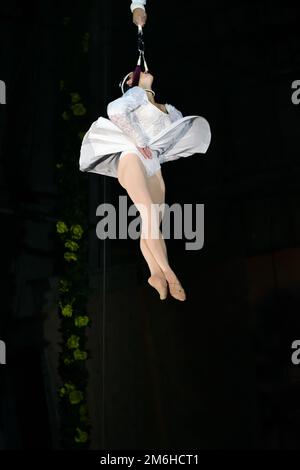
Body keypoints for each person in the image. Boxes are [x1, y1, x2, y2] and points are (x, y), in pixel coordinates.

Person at [79, 70, 211, 301]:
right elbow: (115, 110)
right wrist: (140, 139)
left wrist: (155, 152)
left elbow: (170, 141)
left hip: (153, 167)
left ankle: (154, 273)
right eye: (130, 76)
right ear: (130, 83)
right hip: (132, 158)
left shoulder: (172, 111)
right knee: (149, 214)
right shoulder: (136, 97)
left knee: (151, 223)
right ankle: (169, 274)